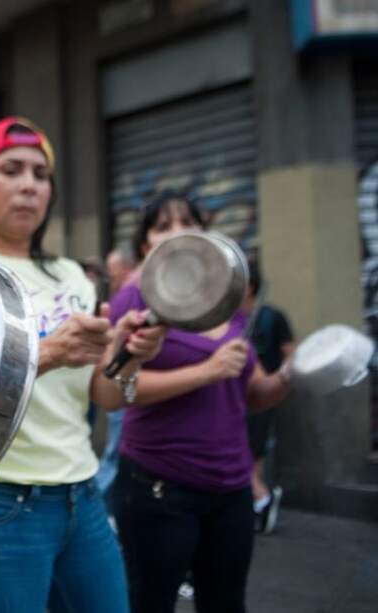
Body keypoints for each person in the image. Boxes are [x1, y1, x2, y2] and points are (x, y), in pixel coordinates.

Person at [0, 116, 166, 613]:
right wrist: (48, 352)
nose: (29, 184)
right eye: (10, 170)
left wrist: (129, 357)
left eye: (40, 173)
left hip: (82, 494)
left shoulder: (71, 274)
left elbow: (104, 394)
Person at [109, 193, 292, 613]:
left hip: (232, 489)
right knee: (151, 602)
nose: (178, 234)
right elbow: (117, 391)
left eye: (188, 223)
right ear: (144, 246)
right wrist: (206, 371)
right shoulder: (134, 302)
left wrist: (292, 375)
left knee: (226, 604)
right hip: (158, 486)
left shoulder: (228, 304)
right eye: (163, 226)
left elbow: (253, 393)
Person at [242, 259, 294, 534]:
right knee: (247, 458)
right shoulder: (227, 321)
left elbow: (291, 355)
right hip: (233, 399)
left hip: (260, 397)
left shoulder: (272, 317)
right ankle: (259, 503)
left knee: (251, 457)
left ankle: (262, 499)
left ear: (249, 286)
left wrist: (278, 383)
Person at [95, 245, 138, 513]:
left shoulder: (129, 295)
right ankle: (100, 509)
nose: (110, 279)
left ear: (125, 268)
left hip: (125, 389)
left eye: (112, 273)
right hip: (122, 390)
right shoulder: (128, 297)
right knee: (114, 454)